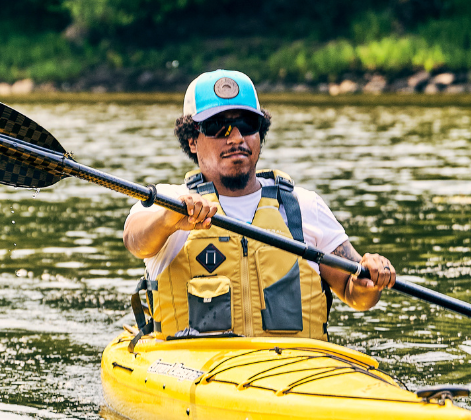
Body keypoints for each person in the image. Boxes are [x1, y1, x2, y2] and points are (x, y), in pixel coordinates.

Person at [123, 69, 397, 341]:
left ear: (260, 133)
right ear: (192, 140)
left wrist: (368, 281)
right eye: (218, 127)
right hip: (195, 367)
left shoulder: (303, 206)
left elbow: (355, 293)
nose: (236, 138)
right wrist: (168, 219)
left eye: (247, 125)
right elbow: (135, 241)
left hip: (295, 366)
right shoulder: (169, 201)